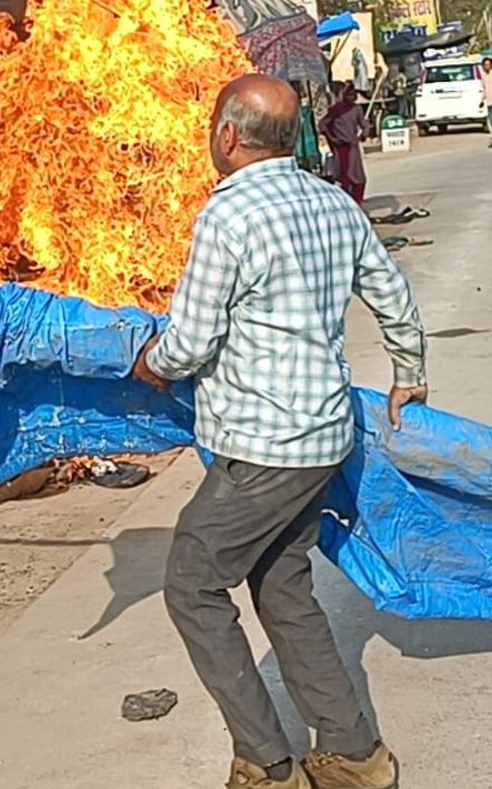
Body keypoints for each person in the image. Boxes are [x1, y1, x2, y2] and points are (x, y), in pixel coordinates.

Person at [133, 74, 427, 789]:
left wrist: (153, 362)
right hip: (324, 437)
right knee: (282, 587)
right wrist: (408, 367)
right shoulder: (331, 202)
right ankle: (356, 755)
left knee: (193, 585)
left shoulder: (227, 216)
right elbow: (390, 290)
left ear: (228, 135)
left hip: (265, 449)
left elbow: (192, 339)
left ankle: (266, 765)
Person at [319, 83, 368, 205]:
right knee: (342, 175)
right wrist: (332, 138)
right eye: (350, 94)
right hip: (340, 147)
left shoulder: (357, 109)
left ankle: (357, 201)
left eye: (354, 95)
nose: (353, 97)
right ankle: (346, 202)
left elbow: (364, 124)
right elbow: (323, 124)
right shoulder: (336, 110)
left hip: (352, 146)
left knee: (357, 176)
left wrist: (362, 136)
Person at [481, 56, 492, 148]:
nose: (487, 66)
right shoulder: (483, 76)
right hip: (489, 102)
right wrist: (481, 100)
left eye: (489, 64)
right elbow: (484, 89)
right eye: (485, 65)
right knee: (491, 121)